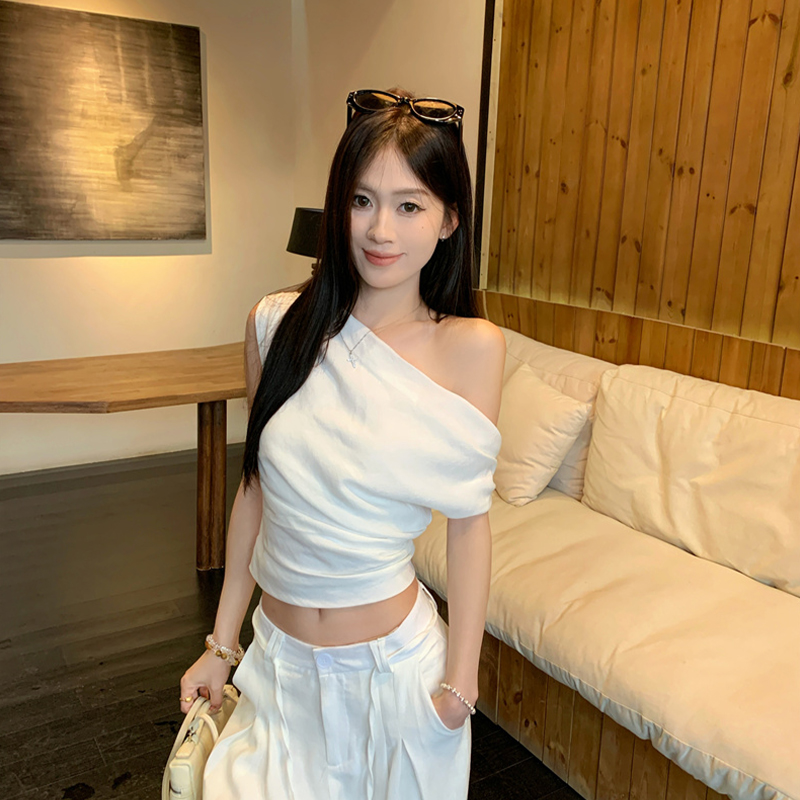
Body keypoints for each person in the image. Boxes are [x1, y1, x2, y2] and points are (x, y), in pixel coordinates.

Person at [179, 87, 505, 800]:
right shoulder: (275, 324)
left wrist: (461, 681)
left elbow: (469, 525)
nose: (380, 230)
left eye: (410, 205)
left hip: (397, 678)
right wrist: (222, 645)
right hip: (278, 671)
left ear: (450, 219)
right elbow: (255, 489)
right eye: (362, 200)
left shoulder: (471, 348)